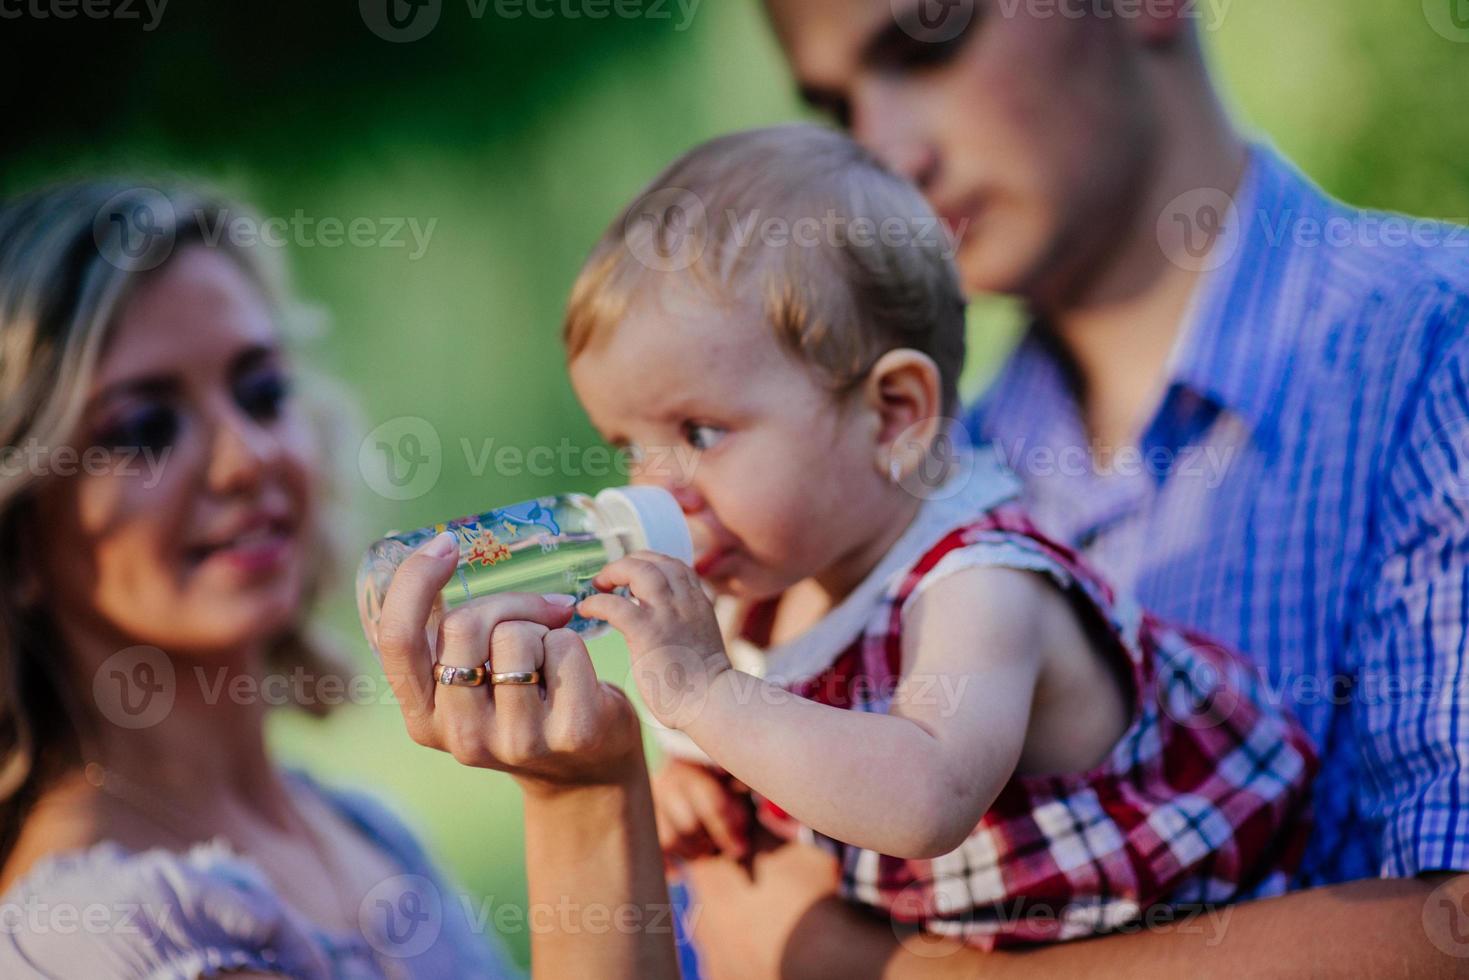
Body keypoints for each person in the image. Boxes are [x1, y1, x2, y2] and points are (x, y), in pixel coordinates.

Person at [665, 0, 1469, 974]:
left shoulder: (1436, 357)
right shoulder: (881, 502)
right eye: (837, 105)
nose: (885, 155)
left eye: (928, 41)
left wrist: (888, 965)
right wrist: (589, 786)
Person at [557, 122, 1316, 950]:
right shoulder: (772, 589)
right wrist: (702, 773)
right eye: (628, 447)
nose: (653, 487)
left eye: (700, 433)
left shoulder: (979, 585)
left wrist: (706, 696)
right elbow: (789, 735)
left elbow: (924, 798)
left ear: (893, 416)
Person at [0, 180, 676, 979]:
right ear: (20, 541)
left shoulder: (367, 832)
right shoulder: (107, 933)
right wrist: (580, 805)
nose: (248, 456)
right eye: (144, 429)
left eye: (263, 393)